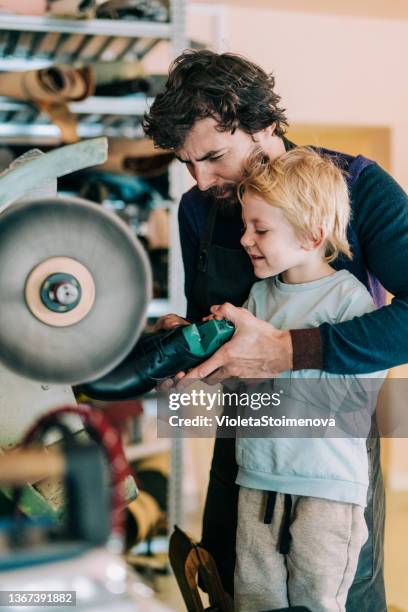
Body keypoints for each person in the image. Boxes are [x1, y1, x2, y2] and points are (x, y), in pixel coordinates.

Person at [143, 49, 408, 611]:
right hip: (246, 437)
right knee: (240, 590)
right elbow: (210, 321)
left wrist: (290, 349)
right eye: (187, 164)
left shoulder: (359, 187)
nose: (201, 179)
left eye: (213, 157)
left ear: (262, 123)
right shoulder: (200, 209)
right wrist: (186, 353)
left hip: (330, 453)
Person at [233, 145, 386, 612]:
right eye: (245, 226)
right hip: (259, 478)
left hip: (329, 488)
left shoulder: (350, 302)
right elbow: (242, 390)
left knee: (317, 599)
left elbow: (351, 398)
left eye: (260, 229)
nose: (245, 239)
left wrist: (274, 365)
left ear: (312, 234)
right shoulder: (258, 297)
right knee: (256, 600)